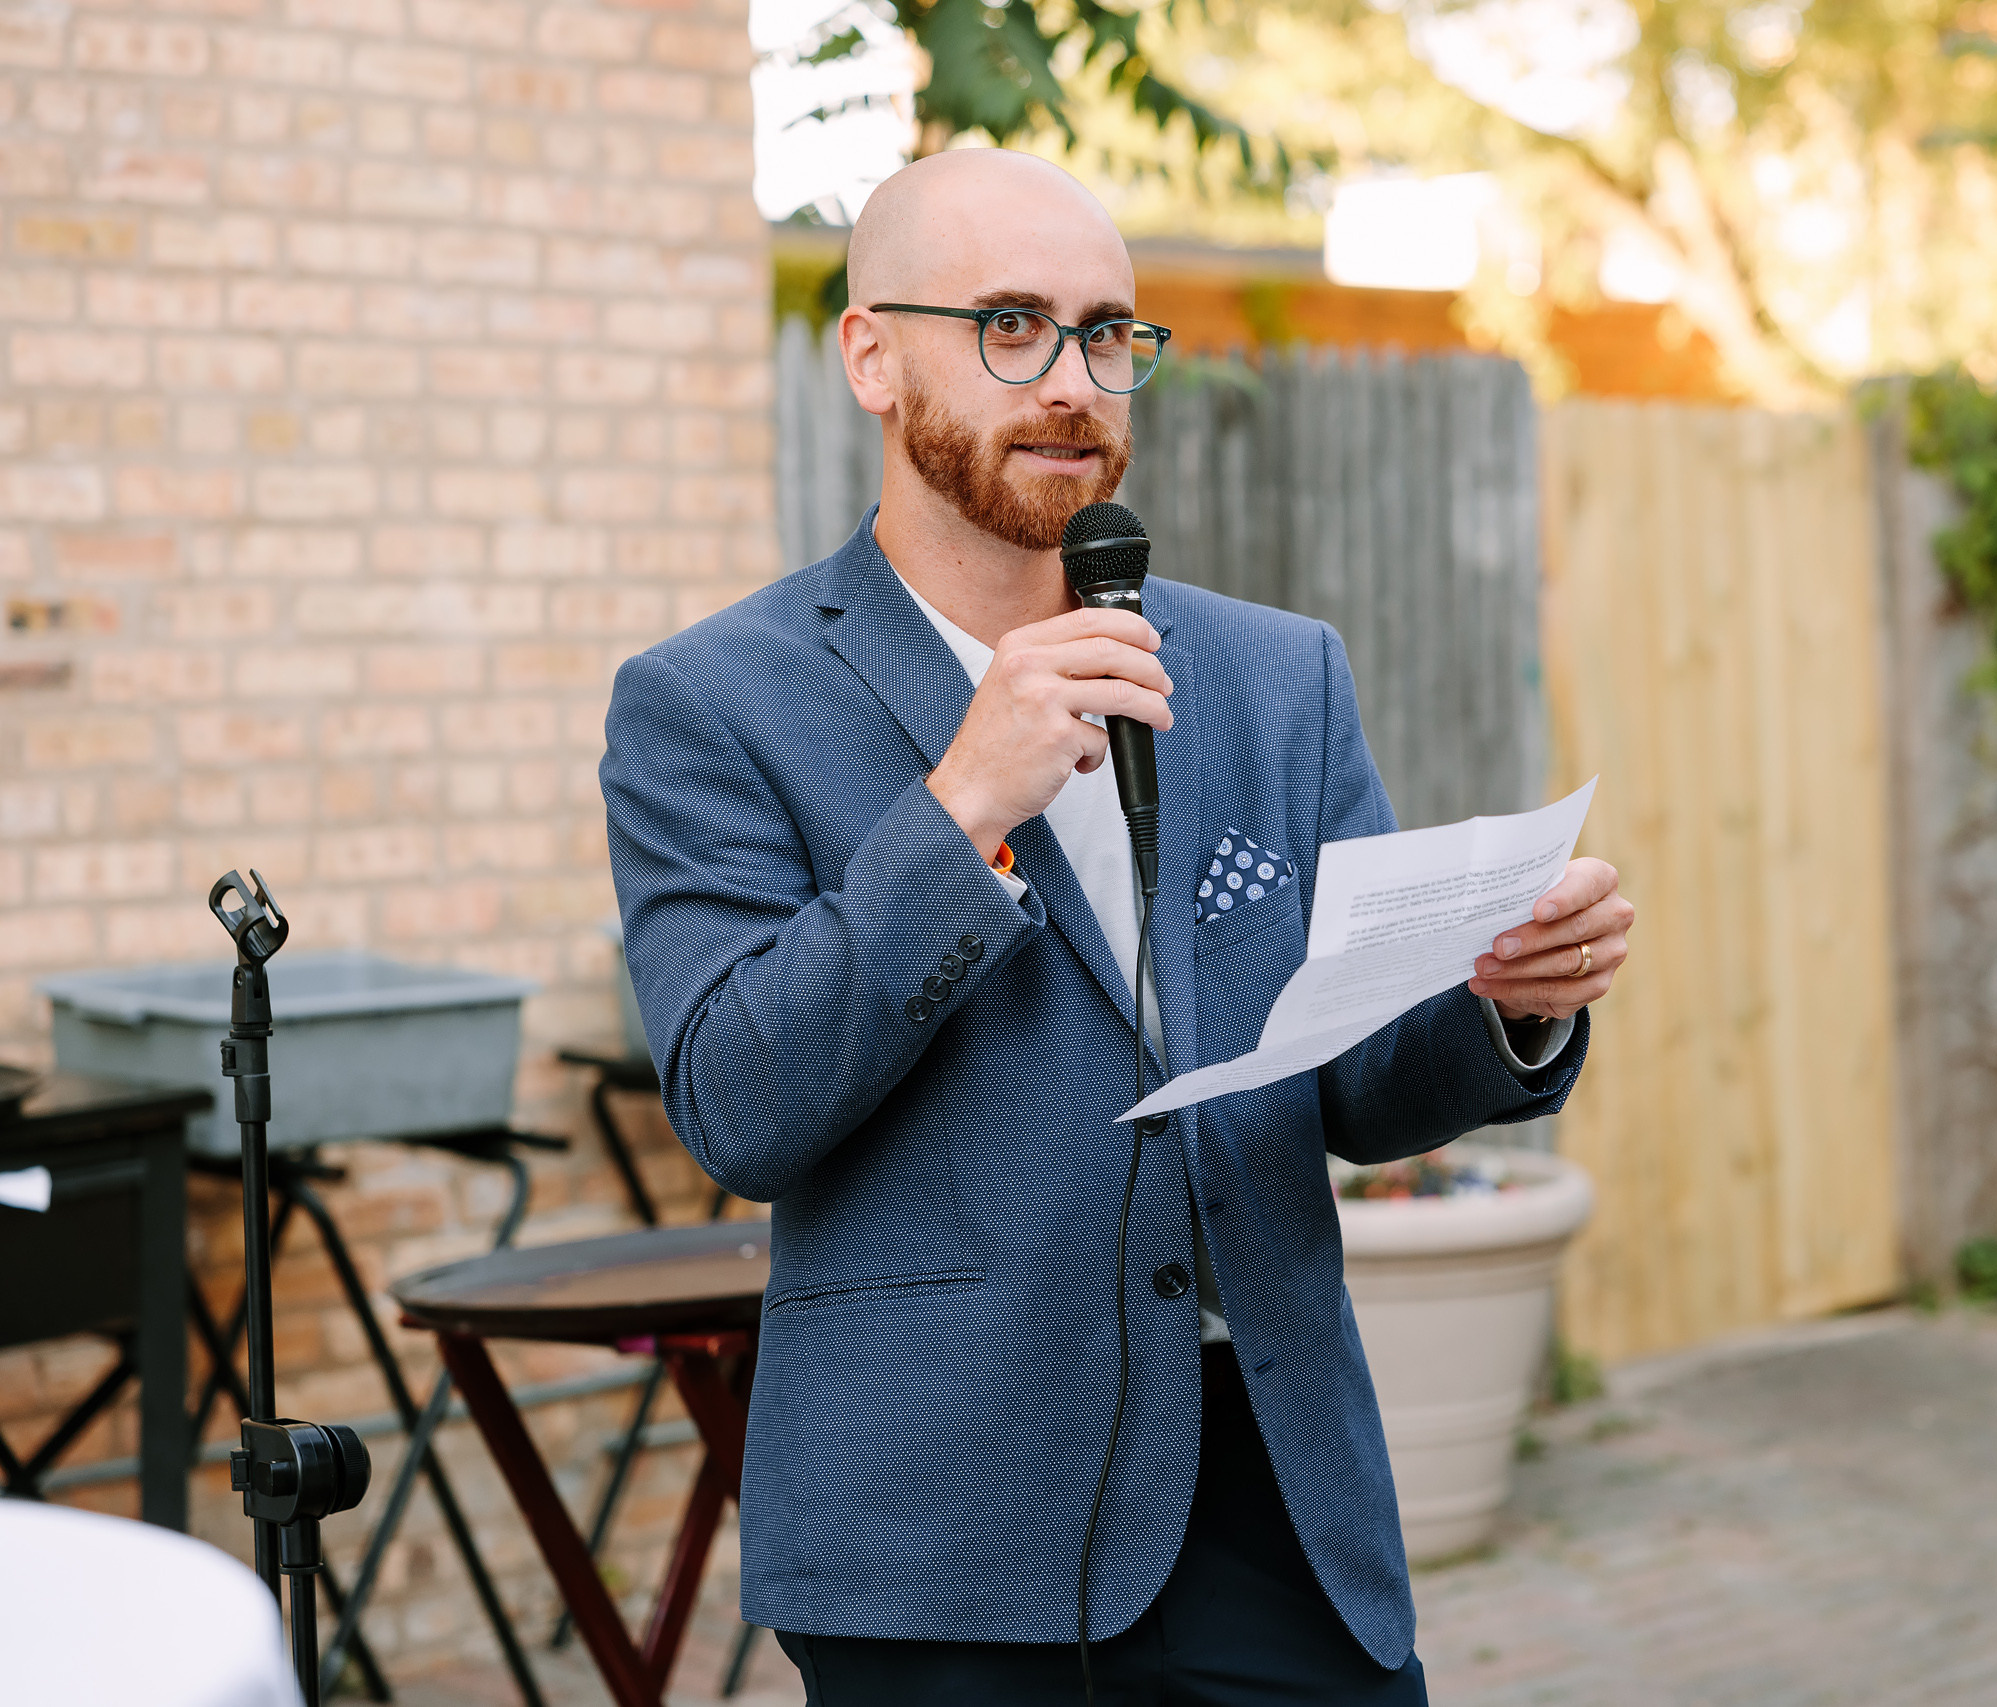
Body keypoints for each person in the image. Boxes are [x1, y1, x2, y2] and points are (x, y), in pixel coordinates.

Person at [601, 148, 1635, 1705]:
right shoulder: (711, 705)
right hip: (946, 1533)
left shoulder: (1281, 678)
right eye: (1011, 325)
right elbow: (740, 1105)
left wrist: (1502, 1003)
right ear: (871, 355)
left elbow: (1353, 1084)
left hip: (1274, 1498)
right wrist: (961, 811)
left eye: (1107, 333)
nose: (1073, 380)